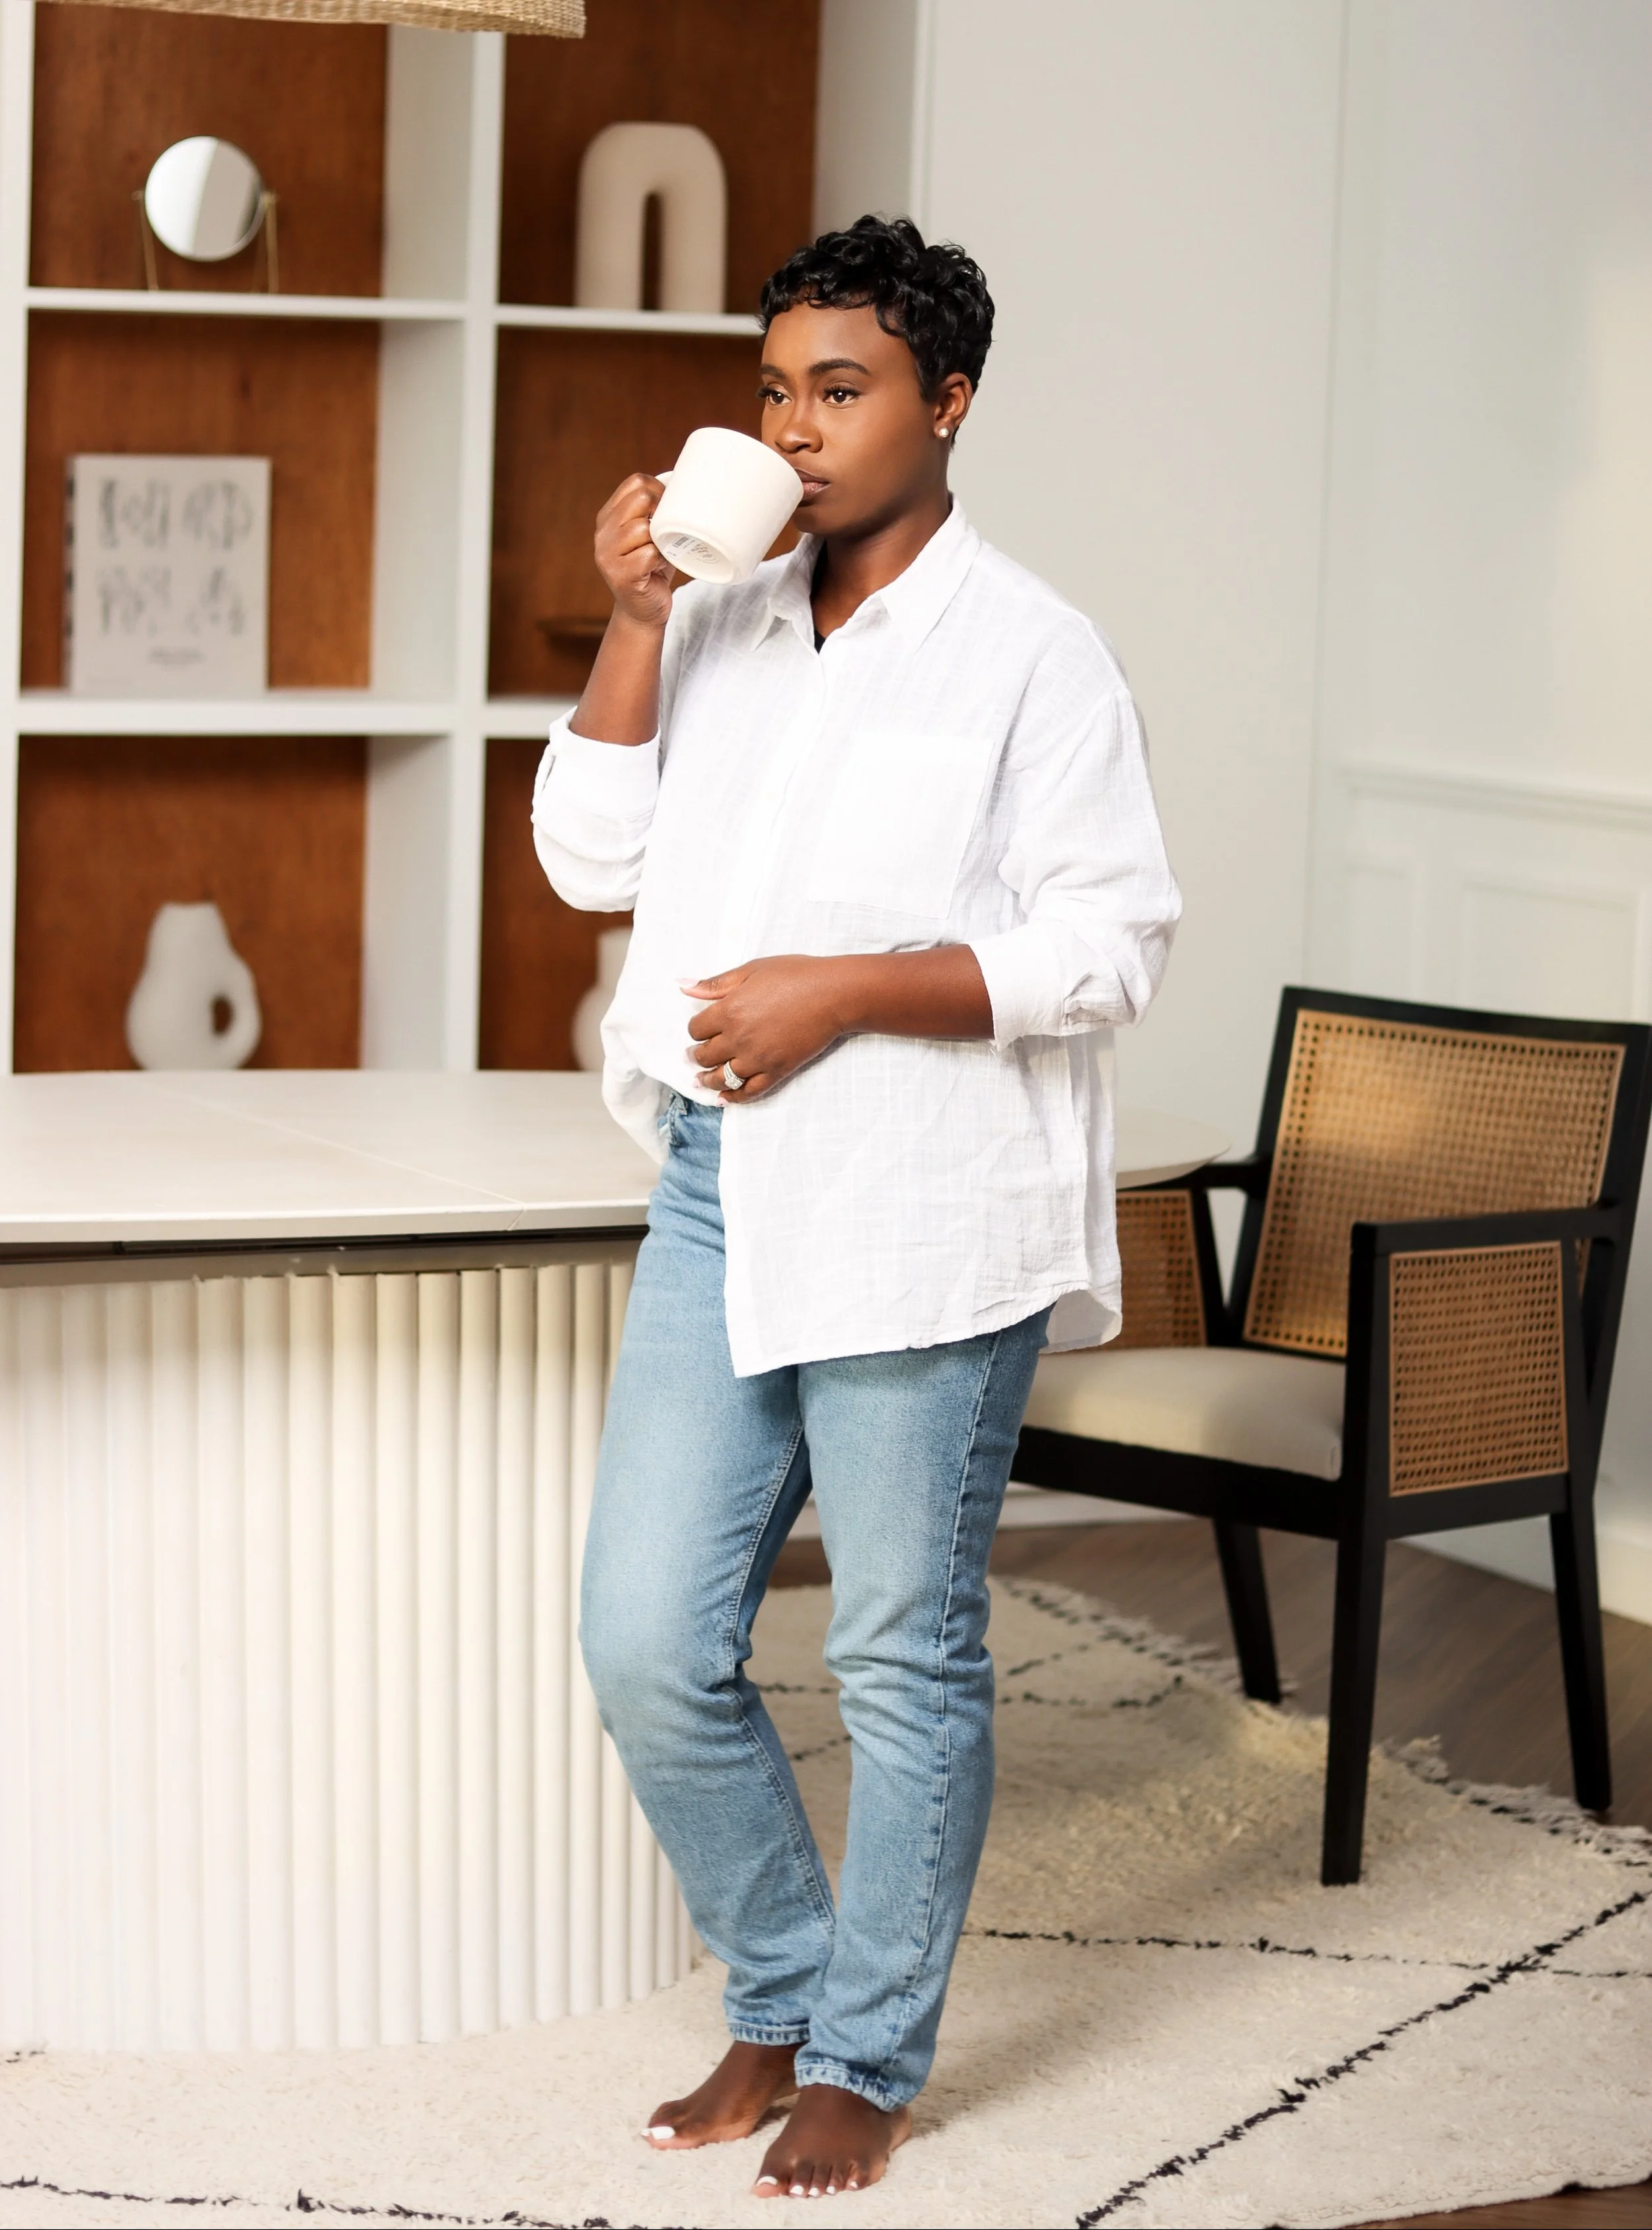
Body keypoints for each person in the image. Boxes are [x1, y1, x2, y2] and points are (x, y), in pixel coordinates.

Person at [532, 215, 1180, 2200]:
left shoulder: (1032, 654)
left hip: (923, 1203)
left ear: (947, 401)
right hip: (727, 1186)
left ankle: (864, 2053)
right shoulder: (720, 618)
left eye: (841, 389)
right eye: (770, 390)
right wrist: (635, 615)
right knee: (646, 1632)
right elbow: (583, 857)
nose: (793, 431)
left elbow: (1110, 943)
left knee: (901, 1650)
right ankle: (787, 1984)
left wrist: (842, 986)